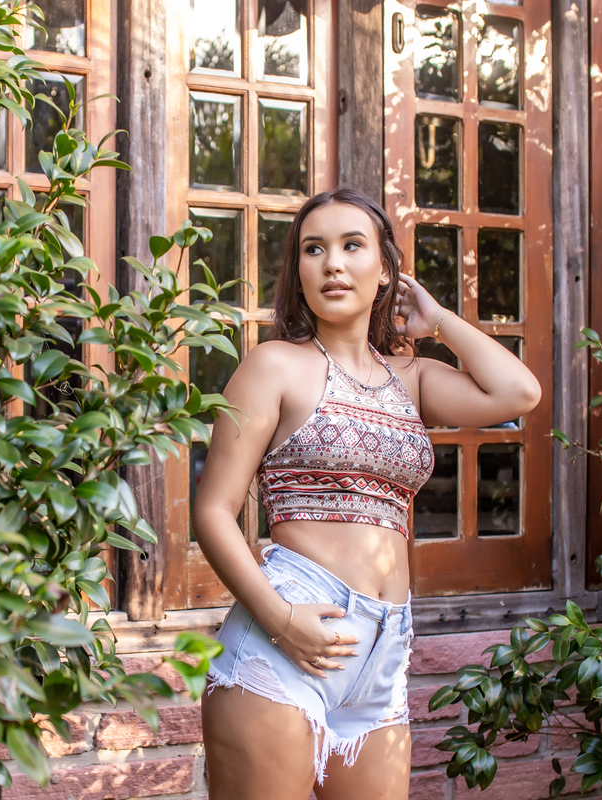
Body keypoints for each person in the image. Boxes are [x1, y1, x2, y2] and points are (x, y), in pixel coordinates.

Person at [193, 187, 542, 800]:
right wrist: (281, 620)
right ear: (298, 271)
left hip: (383, 651)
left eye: (352, 246)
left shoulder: (412, 377)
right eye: (313, 249)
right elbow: (213, 511)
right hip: (286, 637)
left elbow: (519, 393)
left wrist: (439, 322)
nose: (332, 263)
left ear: (385, 271)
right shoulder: (274, 365)